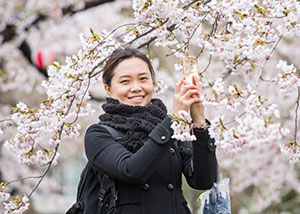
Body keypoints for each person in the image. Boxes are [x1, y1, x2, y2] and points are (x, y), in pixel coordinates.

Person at [83, 47, 217, 214]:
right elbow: (131, 170)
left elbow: (203, 180)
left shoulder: (171, 128)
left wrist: (199, 123)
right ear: (109, 89)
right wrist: (172, 120)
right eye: (125, 81)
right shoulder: (99, 134)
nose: (136, 87)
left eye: (143, 79)